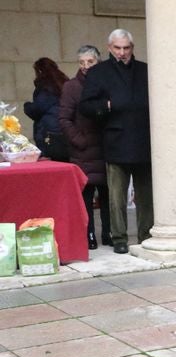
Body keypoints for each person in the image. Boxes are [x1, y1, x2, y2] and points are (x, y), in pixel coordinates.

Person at [78, 29, 153, 254]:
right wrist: (106, 107)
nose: (122, 53)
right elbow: (86, 105)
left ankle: (146, 234)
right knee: (116, 197)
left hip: (143, 139)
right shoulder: (99, 72)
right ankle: (119, 237)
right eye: (117, 48)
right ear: (110, 48)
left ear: (132, 48)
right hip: (115, 139)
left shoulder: (144, 70)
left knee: (146, 195)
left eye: (126, 48)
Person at [57, 45, 110, 249]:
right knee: (86, 196)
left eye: (90, 62)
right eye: (82, 62)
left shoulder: (106, 82)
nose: (86, 66)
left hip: (105, 147)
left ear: (98, 61)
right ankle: (89, 235)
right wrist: (79, 140)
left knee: (107, 195)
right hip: (84, 151)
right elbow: (64, 118)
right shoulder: (71, 87)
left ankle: (108, 232)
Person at [24, 58, 71, 163]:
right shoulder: (64, 82)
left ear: (39, 71)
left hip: (49, 134)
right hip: (64, 131)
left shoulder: (46, 86)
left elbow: (37, 109)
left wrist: (26, 106)